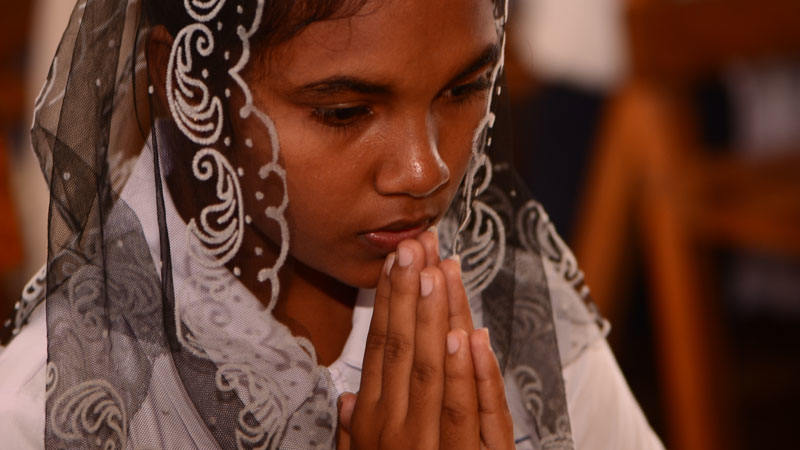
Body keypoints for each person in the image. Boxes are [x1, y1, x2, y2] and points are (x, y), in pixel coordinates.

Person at [0, 0, 663, 448]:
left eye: (464, 90)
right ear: (184, 85)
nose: (424, 168)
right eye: (345, 111)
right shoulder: (59, 408)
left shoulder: (509, 317)